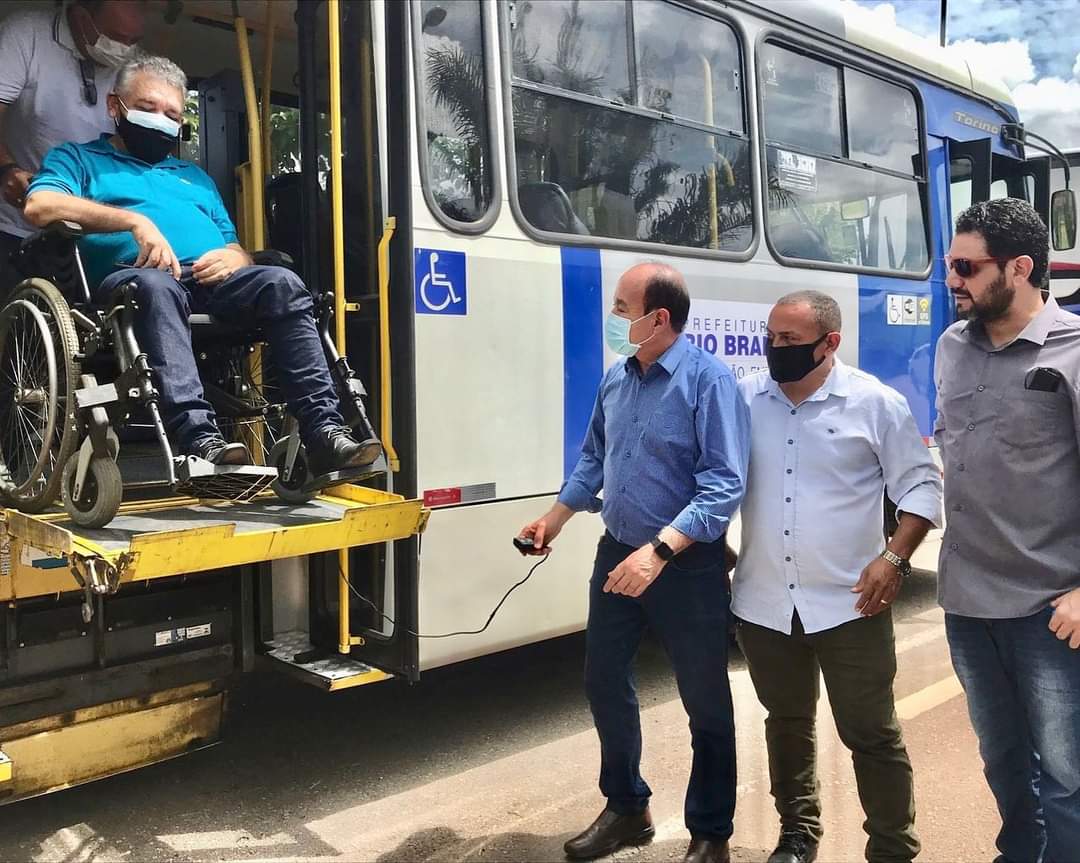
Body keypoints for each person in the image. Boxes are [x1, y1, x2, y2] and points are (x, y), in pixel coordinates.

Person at [24, 54, 381, 478]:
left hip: (211, 281)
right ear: (115, 106)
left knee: (282, 282)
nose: (160, 121)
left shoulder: (194, 178)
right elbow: (39, 205)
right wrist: (135, 222)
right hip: (133, 281)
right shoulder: (79, 159)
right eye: (148, 108)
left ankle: (324, 431)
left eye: (172, 115)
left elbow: (232, 244)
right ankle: (200, 439)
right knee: (157, 287)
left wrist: (238, 257)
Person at [520, 262, 750, 863]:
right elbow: (593, 458)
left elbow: (723, 485)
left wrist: (660, 551)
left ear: (660, 318)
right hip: (618, 552)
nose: (614, 317)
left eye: (622, 308)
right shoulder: (616, 379)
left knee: (705, 700)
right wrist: (555, 517)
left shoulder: (708, 382)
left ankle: (711, 832)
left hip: (685, 565)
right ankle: (627, 808)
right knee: (603, 680)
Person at [732, 290, 942, 863]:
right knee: (786, 723)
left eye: (790, 340)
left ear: (830, 343)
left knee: (871, 733)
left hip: (851, 605)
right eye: (771, 337)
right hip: (764, 603)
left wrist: (894, 559)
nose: (775, 348)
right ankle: (798, 833)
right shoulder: (745, 398)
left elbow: (922, 486)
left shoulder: (874, 403)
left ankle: (892, 847)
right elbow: (714, 475)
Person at [935, 198, 1080, 863]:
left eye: (966, 267)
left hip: (1048, 610)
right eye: (950, 264)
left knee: (1067, 775)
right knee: (1002, 759)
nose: (951, 279)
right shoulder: (951, 347)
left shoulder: (1072, 352)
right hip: (967, 604)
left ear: (1020, 268)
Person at [0, 0, 146, 285]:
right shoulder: (26, 34)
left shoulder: (135, 64)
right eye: (116, 37)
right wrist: (6, 169)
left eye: (134, 40)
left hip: (98, 229)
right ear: (81, 16)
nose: (125, 49)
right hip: (19, 221)